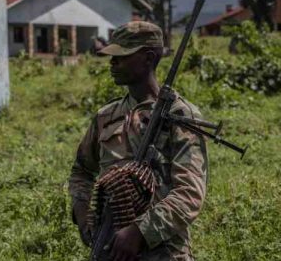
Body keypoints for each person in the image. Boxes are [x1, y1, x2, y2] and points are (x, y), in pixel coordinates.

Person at [68, 21, 208, 261]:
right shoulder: (106, 116)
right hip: (109, 247)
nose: (112, 62)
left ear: (148, 57)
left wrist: (139, 232)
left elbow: (190, 193)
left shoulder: (181, 116)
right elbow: (81, 170)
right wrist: (82, 214)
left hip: (163, 251)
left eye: (121, 56)